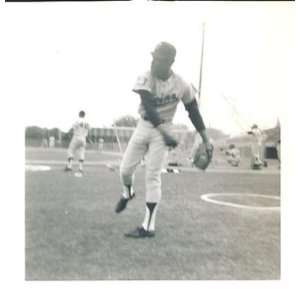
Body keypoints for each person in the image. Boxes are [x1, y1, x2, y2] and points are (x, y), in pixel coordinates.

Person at [115, 42, 213, 238]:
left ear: (170, 62)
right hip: (144, 125)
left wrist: (206, 138)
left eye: (159, 60)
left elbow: (193, 110)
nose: (154, 62)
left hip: (165, 127)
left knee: (153, 176)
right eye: (154, 57)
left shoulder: (181, 84)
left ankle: (148, 227)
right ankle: (128, 193)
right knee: (125, 170)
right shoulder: (145, 76)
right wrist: (165, 133)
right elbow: (149, 108)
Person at [64, 110, 90, 174]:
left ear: (79, 114)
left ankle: (69, 166)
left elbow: (73, 128)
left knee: (71, 150)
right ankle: (80, 168)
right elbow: (88, 129)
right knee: (82, 152)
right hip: (83, 138)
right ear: (84, 115)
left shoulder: (77, 120)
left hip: (76, 137)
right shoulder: (87, 122)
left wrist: (67, 134)